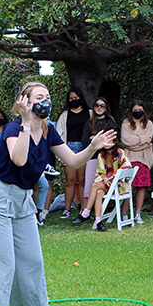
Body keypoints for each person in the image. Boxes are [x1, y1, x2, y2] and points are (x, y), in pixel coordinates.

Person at [0, 81, 116, 306]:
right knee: (4, 265)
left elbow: (73, 160)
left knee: (33, 261)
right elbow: (19, 159)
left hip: (24, 202)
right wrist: (26, 123)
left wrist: (94, 146)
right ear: (24, 101)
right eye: (39, 97)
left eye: (48, 96)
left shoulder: (49, 132)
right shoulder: (14, 129)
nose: (45, 101)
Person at [71, 139, 131, 232]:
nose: (107, 144)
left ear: (114, 142)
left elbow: (127, 165)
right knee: (98, 192)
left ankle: (85, 213)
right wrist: (105, 178)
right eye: (105, 142)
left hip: (118, 184)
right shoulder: (101, 154)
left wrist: (113, 177)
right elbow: (100, 170)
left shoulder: (120, 152)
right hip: (106, 183)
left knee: (95, 185)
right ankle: (99, 222)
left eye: (110, 142)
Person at [55, 88, 91, 218]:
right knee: (70, 180)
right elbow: (58, 134)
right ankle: (67, 208)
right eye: (71, 98)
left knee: (82, 180)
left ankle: (83, 208)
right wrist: (61, 155)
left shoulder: (89, 113)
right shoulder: (65, 115)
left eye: (76, 97)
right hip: (68, 147)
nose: (73, 100)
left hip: (84, 148)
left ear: (81, 98)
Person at [120, 100, 153, 224]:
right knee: (128, 186)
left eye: (139, 110)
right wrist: (142, 140)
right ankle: (124, 213)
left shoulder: (149, 124)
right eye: (135, 110)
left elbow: (149, 140)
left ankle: (138, 214)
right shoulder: (126, 123)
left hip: (144, 159)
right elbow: (125, 140)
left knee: (142, 187)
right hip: (129, 159)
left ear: (143, 110)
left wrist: (135, 142)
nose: (137, 112)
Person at [82, 97, 117, 207]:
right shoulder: (89, 123)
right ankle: (85, 211)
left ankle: (102, 210)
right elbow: (84, 141)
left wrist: (94, 138)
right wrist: (98, 140)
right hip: (92, 157)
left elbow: (111, 141)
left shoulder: (110, 123)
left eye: (102, 105)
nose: (99, 107)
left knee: (104, 184)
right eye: (97, 105)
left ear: (106, 109)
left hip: (107, 158)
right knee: (89, 184)